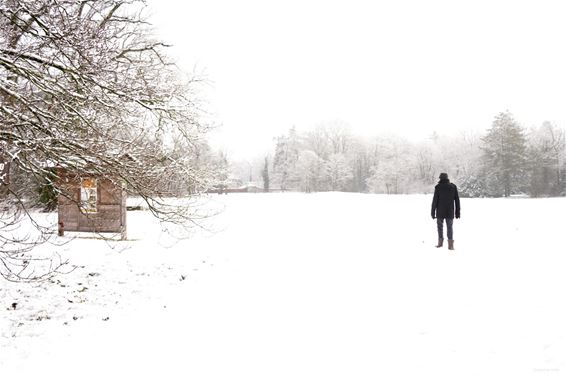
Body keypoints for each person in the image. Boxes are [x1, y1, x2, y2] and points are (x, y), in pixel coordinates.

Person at [431, 172, 460, 250]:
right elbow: (457, 201)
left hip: (440, 212)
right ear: (447, 178)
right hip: (450, 211)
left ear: (440, 178)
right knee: (450, 227)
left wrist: (432, 212)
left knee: (440, 227)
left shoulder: (438, 187)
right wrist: (458, 212)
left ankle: (440, 243)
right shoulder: (453, 187)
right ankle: (450, 245)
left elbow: (434, 201)